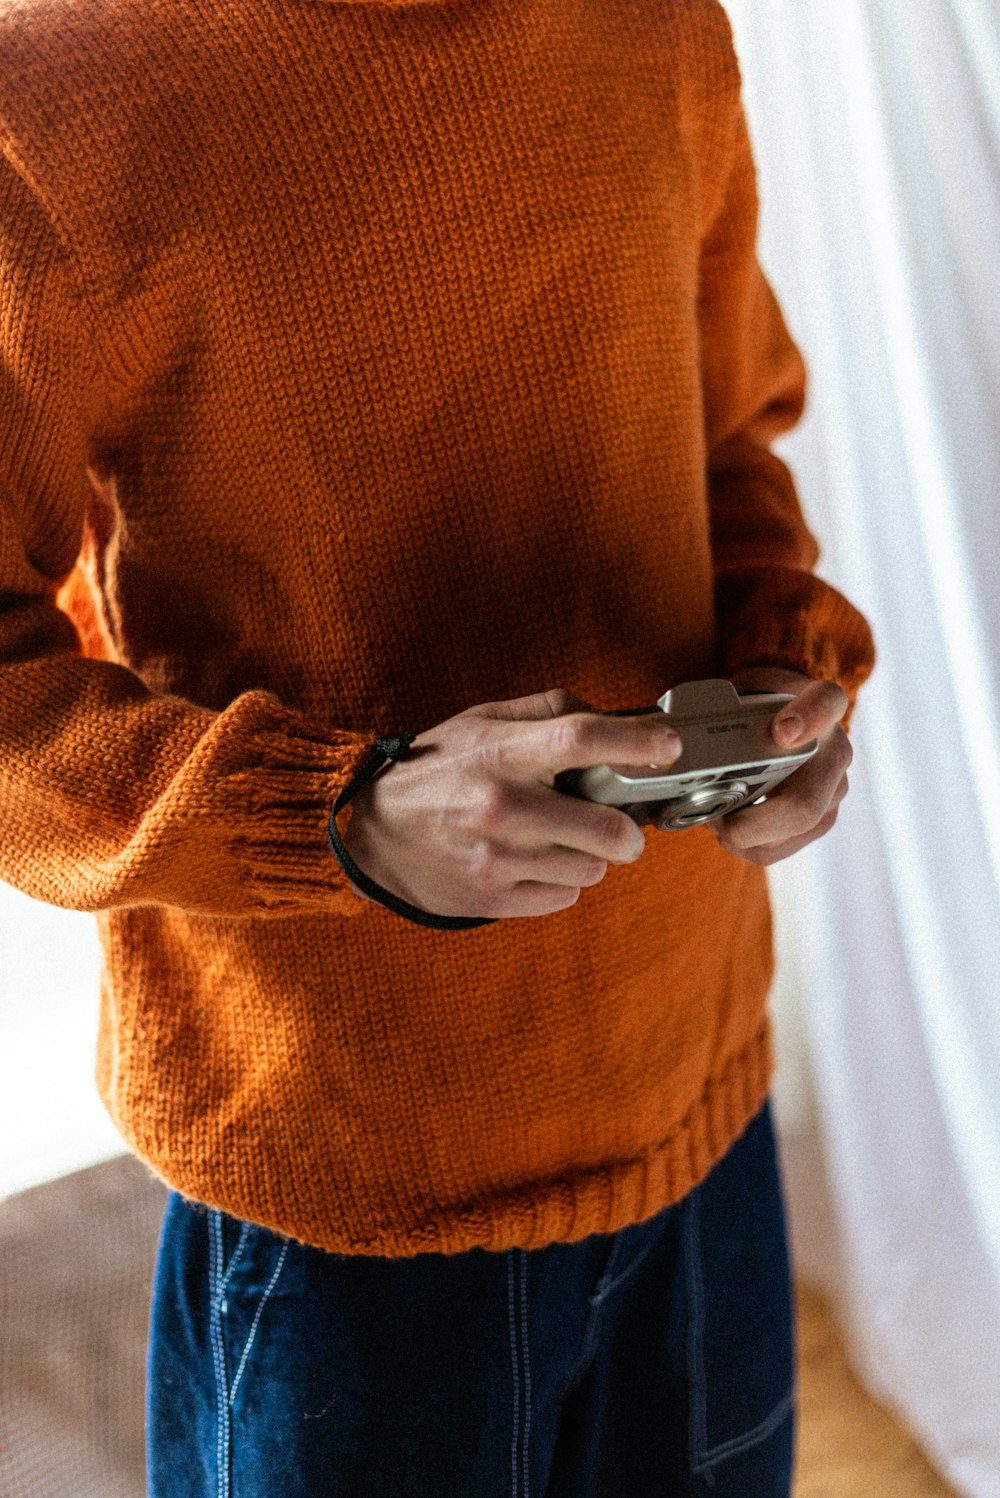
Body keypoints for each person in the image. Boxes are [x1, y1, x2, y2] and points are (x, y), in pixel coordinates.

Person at [0, 0, 875, 1493]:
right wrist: (336, 813)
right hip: (341, 1188)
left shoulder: (655, 24)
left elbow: (725, 431)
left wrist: (783, 668)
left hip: (699, 1100)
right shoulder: (56, 96)